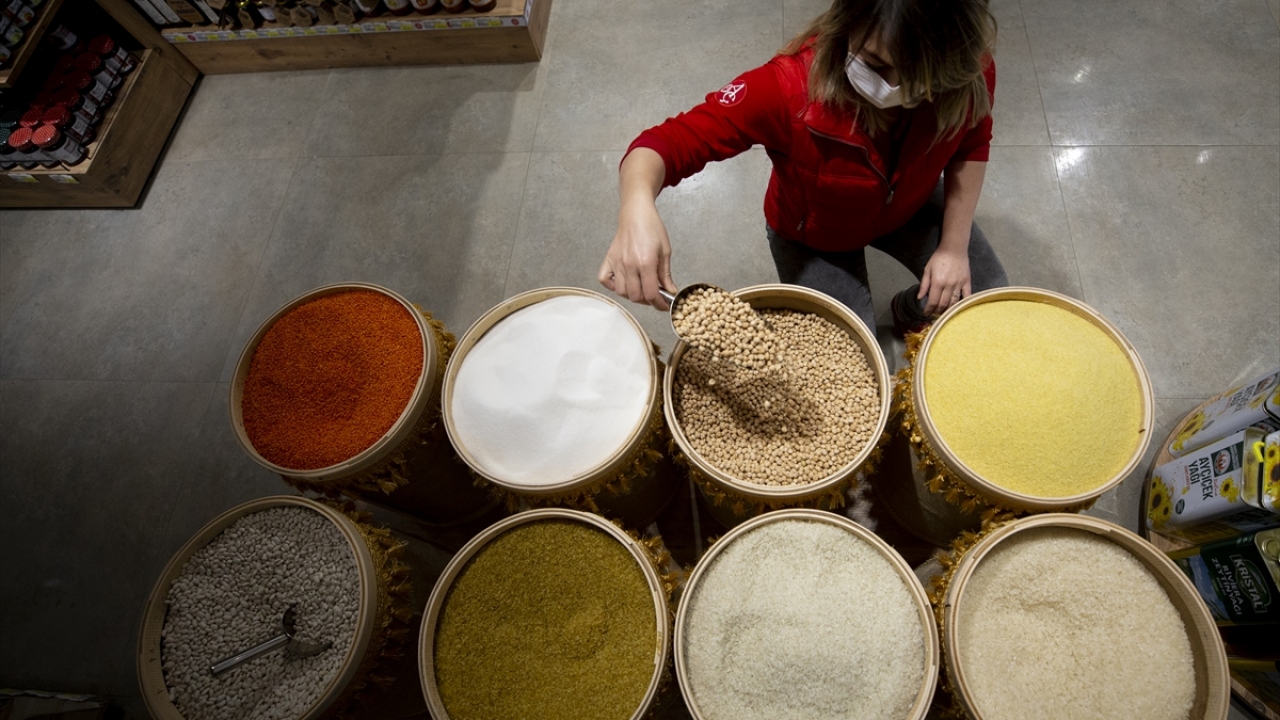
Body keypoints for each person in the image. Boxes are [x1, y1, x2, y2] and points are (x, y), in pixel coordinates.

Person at [598, 0, 1008, 335]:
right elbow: (665, 144)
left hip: (908, 205)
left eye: (920, 79)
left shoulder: (968, 72)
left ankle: (912, 310)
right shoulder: (784, 88)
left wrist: (953, 248)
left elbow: (971, 141)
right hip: (811, 236)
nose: (895, 88)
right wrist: (636, 207)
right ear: (846, 23)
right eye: (876, 63)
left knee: (989, 295)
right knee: (849, 360)